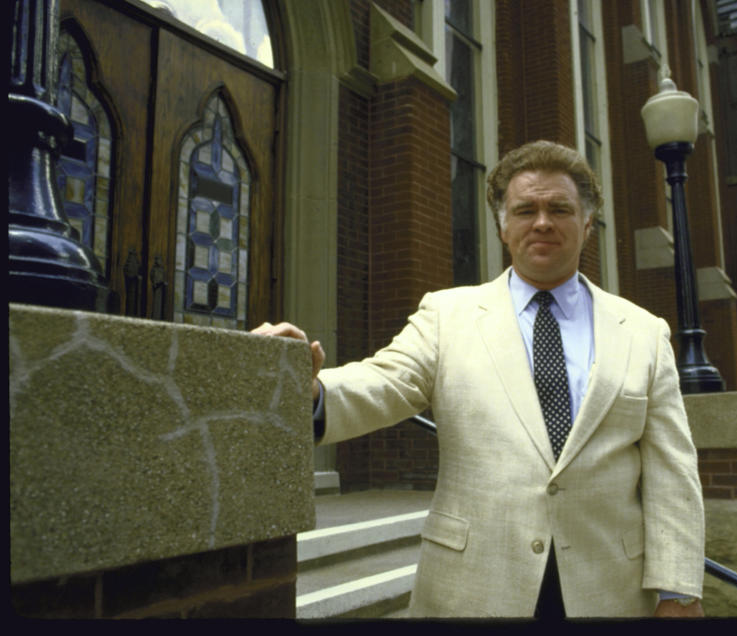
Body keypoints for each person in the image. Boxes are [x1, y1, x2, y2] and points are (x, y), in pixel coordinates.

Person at [253, 140, 705, 618]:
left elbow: (671, 471)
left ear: (587, 224)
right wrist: (313, 391)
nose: (543, 222)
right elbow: (385, 381)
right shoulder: (448, 315)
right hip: (472, 588)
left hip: (608, 591)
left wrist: (678, 590)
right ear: (502, 226)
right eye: (525, 209)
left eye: (560, 209)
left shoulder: (643, 332)